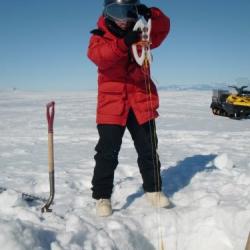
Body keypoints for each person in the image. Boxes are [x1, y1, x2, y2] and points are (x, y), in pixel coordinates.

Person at [87, 0, 170, 217]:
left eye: (128, 11)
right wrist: (123, 44)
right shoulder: (100, 35)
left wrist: (152, 15)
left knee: (149, 149)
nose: (123, 19)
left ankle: (154, 190)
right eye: (116, 12)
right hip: (112, 106)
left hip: (141, 102)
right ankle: (102, 197)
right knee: (107, 153)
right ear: (106, 13)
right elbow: (100, 57)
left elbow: (163, 29)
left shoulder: (142, 33)